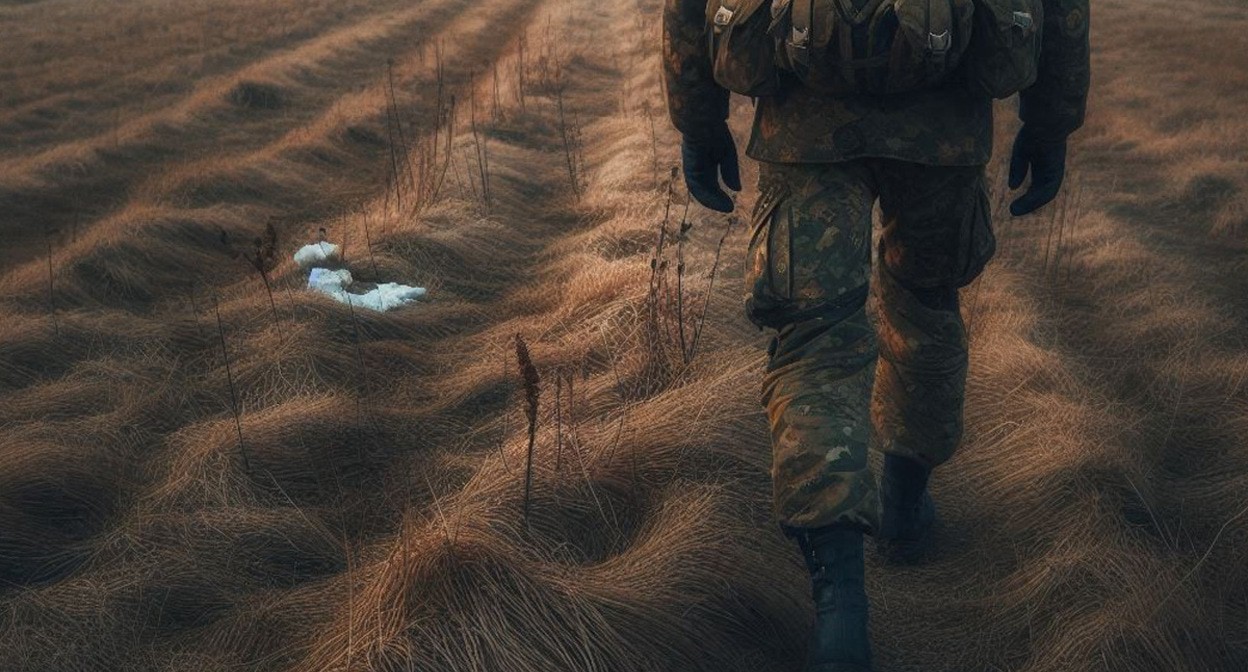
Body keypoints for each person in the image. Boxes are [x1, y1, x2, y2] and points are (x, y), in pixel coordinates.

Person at [662, 1, 1090, 670]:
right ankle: (905, 506)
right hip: (943, 127)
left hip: (806, 122)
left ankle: (841, 605)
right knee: (925, 306)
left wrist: (699, 118)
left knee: (812, 339)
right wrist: (1050, 119)